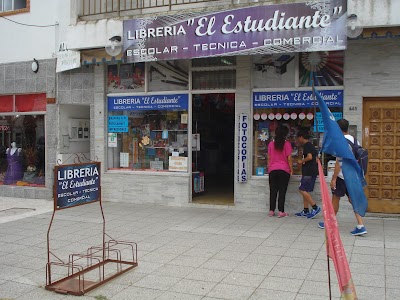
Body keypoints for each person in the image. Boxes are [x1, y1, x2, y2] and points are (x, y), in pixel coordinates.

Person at [318, 119, 367, 236]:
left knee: (335, 198)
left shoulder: (340, 141)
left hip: (342, 176)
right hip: (353, 176)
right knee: (353, 199)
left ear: (338, 129)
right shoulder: (355, 140)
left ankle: (329, 222)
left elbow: (338, 162)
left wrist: (334, 178)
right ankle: (361, 225)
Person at [267, 124, 293, 218]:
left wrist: (269, 168)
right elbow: (289, 158)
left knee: (273, 191)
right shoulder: (287, 144)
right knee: (282, 191)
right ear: (285, 134)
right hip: (284, 170)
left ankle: (271, 210)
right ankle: (281, 211)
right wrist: (291, 169)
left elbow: (269, 158)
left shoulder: (271, 144)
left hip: (273, 170)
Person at [295, 130, 321, 218]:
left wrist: (301, 161)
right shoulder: (311, 146)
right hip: (310, 170)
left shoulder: (307, 146)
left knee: (302, 189)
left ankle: (315, 207)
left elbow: (309, 157)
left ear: (301, 137)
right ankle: (305, 210)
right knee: (304, 190)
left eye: (298, 138)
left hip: (309, 171)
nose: (298, 140)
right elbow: (316, 158)